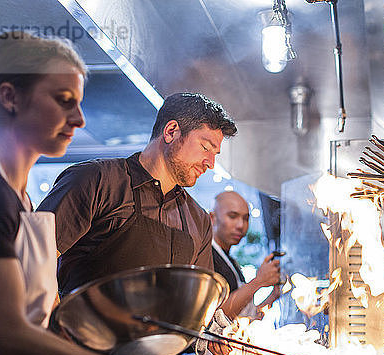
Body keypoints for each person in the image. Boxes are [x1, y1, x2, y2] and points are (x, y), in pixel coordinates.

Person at [0, 30, 205, 355]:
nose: (80, 119)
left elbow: (33, 318)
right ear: (10, 97)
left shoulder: (17, 197)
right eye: (64, 101)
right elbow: (8, 341)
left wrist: (72, 353)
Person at [37, 92, 237, 296]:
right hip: (80, 326)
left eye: (215, 154)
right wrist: (53, 323)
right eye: (205, 148)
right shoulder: (95, 180)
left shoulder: (199, 220)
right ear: (171, 131)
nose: (211, 163)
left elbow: (198, 298)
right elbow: (34, 259)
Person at [181, 191, 282, 355]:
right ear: (212, 218)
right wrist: (259, 281)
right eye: (233, 216)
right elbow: (217, 316)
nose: (241, 226)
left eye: (245, 218)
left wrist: (273, 295)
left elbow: (241, 315)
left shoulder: (229, 260)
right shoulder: (206, 256)